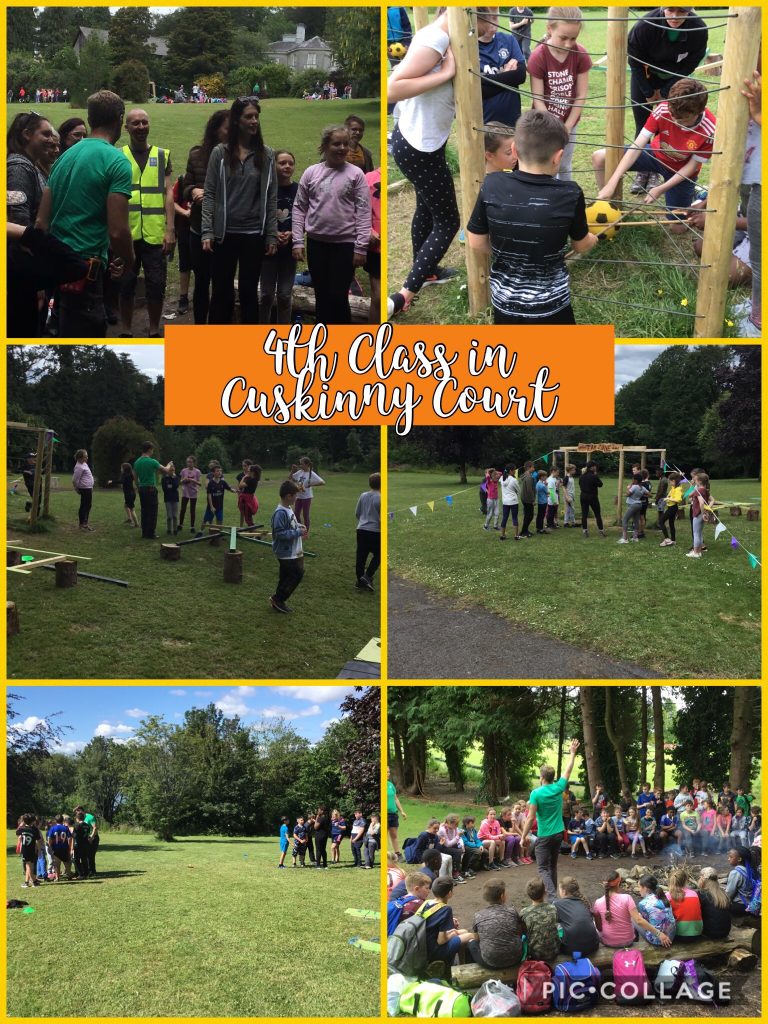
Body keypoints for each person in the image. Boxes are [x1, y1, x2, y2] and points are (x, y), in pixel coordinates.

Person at [467, 109, 596, 325]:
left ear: (515, 150)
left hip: (504, 306)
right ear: (558, 157)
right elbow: (581, 245)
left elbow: (476, 240)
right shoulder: (570, 194)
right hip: (552, 307)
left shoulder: (492, 184)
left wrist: (509, 252)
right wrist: (593, 238)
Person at [35, 91, 134, 338]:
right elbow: (118, 230)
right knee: (87, 337)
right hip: (85, 269)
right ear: (119, 119)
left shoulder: (63, 158)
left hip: (57, 265)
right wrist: (130, 261)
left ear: (90, 119)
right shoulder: (116, 160)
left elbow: (41, 221)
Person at [387, 8, 459, 318]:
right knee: (448, 221)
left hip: (421, 141)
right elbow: (393, 87)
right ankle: (405, 294)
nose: (493, 22)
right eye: (489, 14)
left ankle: (427, 271)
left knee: (426, 208)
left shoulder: (443, 34)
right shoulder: (436, 38)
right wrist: (444, 74)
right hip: (420, 147)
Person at [202, 96, 277, 324]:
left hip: (253, 235)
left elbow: (271, 198)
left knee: (248, 294)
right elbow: (210, 193)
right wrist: (207, 231)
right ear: (236, 120)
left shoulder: (266, 154)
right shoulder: (220, 153)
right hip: (225, 233)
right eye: (249, 117)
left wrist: (271, 234)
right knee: (221, 293)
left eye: (256, 116)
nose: (254, 121)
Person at [595, 79, 716, 221]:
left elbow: (692, 166)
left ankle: (698, 195)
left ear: (699, 111)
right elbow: (637, 146)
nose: (676, 123)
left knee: (678, 227)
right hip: (655, 155)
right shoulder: (663, 108)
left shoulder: (710, 129)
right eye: (673, 117)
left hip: (680, 171)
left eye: (683, 120)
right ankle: (607, 208)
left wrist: (660, 189)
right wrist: (612, 183)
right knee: (599, 157)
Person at [292, 125, 371, 325]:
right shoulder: (311, 173)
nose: (342, 148)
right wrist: (297, 241)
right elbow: (299, 207)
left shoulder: (356, 174)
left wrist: (361, 247)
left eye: (346, 144)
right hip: (317, 244)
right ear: (325, 145)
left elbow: (363, 211)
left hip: (345, 245)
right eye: (336, 143)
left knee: (338, 296)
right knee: (322, 295)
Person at [627, 5, 708, 193]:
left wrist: (665, 91)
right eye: (670, 10)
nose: (675, 16)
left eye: (681, 11)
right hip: (644, 76)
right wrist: (648, 92)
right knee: (644, 124)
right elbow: (634, 61)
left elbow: (691, 62)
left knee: (665, 126)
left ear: (690, 9)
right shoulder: (644, 25)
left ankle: (654, 172)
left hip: (674, 78)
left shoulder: (698, 28)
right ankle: (642, 171)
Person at [117, 109, 175, 337]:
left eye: (144, 122)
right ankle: (126, 330)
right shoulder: (118, 155)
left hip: (155, 234)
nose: (141, 127)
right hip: (126, 235)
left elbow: (168, 193)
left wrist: (170, 229)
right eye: (135, 123)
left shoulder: (162, 155)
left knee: (156, 285)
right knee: (126, 285)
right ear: (126, 128)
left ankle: (153, 330)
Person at [528, 7, 591, 182]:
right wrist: (552, 126)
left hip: (570, 120)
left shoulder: (580, 54)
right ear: (549, 28)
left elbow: (581, 95)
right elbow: (538, 98)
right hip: (544, 122)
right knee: (548, 166)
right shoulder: (538, 57)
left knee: (564, 164)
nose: (568, 44)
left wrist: (568, 126)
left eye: (574, 38)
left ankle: (567, 201)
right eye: (563, 38)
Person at [182, 109, 229, 324]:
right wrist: (192, 191)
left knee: (223, 284)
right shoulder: (197, 154)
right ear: (215, 129)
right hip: (198, 228)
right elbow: (186, 184)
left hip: (227, 232)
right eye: (228, 128)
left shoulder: (239, 157)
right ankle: (200, 326)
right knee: (201, 281)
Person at [521, 738, 580, 899]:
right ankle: (554, 897)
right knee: (552, 866)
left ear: (541, 777)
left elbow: (531, 818)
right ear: (553, 777)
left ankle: (553, 898)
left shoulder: (536, 793)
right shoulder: (559, 787)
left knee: (542, 869)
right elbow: (567, 770)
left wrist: (523, 836)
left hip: (545, 835)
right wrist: (572, 753)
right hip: (559, 833)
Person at [258, 149, 298, 324]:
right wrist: (272, 233)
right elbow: (258, 216)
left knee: (283, 294)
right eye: (282, 163)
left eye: (290, 163)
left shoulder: (298, 189)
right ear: (272, 165)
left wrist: (293, 233)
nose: (287, 166)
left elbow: (305, 217)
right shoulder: (265, 190)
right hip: (267, 250)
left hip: (289, 251)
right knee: (266, 294)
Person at [476, 7, 526, 129]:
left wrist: (488, 79)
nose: (493, 25)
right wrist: (508, 76)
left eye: (496, 17)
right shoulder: (468, 47)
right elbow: (479, 90)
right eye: (487, 19)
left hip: (512, 121)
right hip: (485, 124)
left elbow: (520, 75)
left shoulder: (508, 40)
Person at [421, 877, 475, 975]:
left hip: (423, 946)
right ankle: (457, 967)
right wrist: (452, 934)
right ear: (449, 893)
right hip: (434, 950)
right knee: (469, 936)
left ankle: (460, 965)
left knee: (463, 931)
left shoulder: (426, 903)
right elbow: (441, 941)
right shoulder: (446, 909)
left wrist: (452, 930)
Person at [468, 878, 524, 969]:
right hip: (516, 958)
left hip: (490, 962)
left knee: (471, 943)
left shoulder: (478, 916)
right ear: (502, 896)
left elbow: (476, 937)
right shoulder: (512, 911)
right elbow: (520, 930)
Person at [270, 479, 306, 613]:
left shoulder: (288, 509)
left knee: (285, 576)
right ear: (288, 496)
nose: (296, 498)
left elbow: (290, 525)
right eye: (295, 495)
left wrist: (298, 526)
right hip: (285, 551)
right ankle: (278, 599)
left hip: (290, 551)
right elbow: (279, 533)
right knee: (296, 574)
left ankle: (278, 600)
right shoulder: (280, 513)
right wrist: (298, 532)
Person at [133, 442, 173, 539]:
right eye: (152, 449)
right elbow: (166, 470)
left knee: (144, 511)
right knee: (152, 511)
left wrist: (138, 487)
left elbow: (135, 476)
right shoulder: (152, 461)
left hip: (142, 489)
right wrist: (169, 464)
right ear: (150, 449)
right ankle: (151, 533)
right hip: (150, 489)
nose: (153, 451)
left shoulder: (137, 462)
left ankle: (144, 532)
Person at [553, 876, 599, 954]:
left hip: (570, 949)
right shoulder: (585, 900)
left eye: (559, 889)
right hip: (593, 946)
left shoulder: (557, 904)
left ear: (564, 891)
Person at [593, 872, 637, 947]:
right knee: (633, 917)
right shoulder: (627, 898)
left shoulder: (598, 902)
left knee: (593, 923)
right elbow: (637, 919)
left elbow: (599, 928)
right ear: (618, 883)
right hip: (628, 941)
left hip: (608, 942)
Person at [355, 471, 381, 592]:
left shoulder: (363, 495)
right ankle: (367, 576)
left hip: (361, 529)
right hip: (375, 531)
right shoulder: (381, 498)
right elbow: (382, 518)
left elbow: (357, 513)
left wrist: (363, 521)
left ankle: (360, 580)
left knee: (361, 556)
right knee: (379, 555)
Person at [636, 874, 676, 945]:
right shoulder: (663, 896)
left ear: (645, 888)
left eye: (639, 887)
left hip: (659, 940)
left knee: (633, 918)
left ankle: (634, 945)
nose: (638, 890)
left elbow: (644, 922)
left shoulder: (643, 903)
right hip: (671, 936)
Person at [290, 457, 325, 538]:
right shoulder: (300, 472)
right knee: (296, 514)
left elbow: (323, 482)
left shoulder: (311, 474)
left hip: (307, 497)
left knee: (306, 515)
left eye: (302, 464)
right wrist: (292, 470)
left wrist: (311, 484)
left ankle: (305, 533)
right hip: (298, 496)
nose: (300, 465)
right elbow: (291, 478)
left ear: (307, 464)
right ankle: (300, 529)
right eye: (300, 464)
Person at [364, 165, 381, 322]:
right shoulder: (369, 177)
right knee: (377, 298)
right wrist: (368, 229)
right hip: (375, 247)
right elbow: (360, 208)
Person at [668, 867, 704, 939]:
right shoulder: (694, 894)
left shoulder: (668, 895)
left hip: (678, 935)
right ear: (685, 881)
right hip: (697, 933)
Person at [697, 867, 733, 939]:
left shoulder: (702, 894)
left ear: (703, 880)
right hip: (725, 932)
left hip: (709, 933)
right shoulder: (723, 893)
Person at [200, 464, 236, 531]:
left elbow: (229, 488)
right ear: (213, 473)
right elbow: (209, 495)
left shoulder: (223, 482)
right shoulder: (210, 483)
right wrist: (211, 506)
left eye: (220, 471)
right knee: (205, 520)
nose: (219, 472)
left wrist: (235, 491)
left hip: (220, 506)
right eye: (217, 471)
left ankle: (219, 534)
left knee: (220, 521)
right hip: (211, 507)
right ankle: (200, 531)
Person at [70, 448, 95, 532]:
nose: (87, 458)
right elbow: (74, 480)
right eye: (85, 456)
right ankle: (83, 524)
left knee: (88, 505)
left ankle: (84, 523)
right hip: (85, 489)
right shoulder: (79, 467)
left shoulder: (84, 464)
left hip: (88, 488)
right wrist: (76, 489)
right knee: (85, 506)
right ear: (80, 457)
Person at [688, 471, 711, 559]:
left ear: (699, 481)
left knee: (696, 533)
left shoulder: (699, 490)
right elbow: (690, 495)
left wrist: (703, 513)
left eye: (696, 480)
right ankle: (698, 551)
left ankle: (696, 552)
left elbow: (701, 503)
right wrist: (705, 512)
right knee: (700, 533)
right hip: (701, 514)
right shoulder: (704, 490)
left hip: (698, 514)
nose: (695, 481)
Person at [387, 767, 408, 861]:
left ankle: (398, 854)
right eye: (386, 772)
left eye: (389, 772)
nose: (388, 774)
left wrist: (402, 811)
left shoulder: (390, 785)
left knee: (394, 835)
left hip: (393, 814)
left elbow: (395, 799)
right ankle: (386, 855)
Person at [16, 813, 42, 888]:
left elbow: (17, 833)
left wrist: (22, 824)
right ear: (33, 821)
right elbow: (38, 841)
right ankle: (27, 882)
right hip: (32, 850)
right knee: (30, 865)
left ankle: (34, 882)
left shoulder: (22, 829)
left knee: (28, 866)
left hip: (25, 850)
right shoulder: (35, 830)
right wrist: (39, 850)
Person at [178, 455, 202, 533]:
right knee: (183, 509)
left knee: (192, 510)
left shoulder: (197, 471)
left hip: (193, 493)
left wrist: (193, 480)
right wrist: (184, 480)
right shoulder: (183, 471)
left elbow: (200, 483)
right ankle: (180, 525)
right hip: (185, 492)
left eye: (190, 462)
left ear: (194, 463)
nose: (189, 463)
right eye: (188, 462)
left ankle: (192, 526)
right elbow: (180, 482)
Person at [659, 471, 683, 546]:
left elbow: (678, 499)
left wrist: (669, 499)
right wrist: (667, 497)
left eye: (670, 482)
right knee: (671, 523)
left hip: (673, 508)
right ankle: (673, 540)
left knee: (661, 521)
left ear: (674, 481)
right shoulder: (674, 487)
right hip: (671, 507)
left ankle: (667, 539)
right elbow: (670, 494)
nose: (670, 483)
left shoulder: (678, 489)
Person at [47, 814, 74, 880]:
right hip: (64, 848)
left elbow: (49, 838)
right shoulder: (65, 828)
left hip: (56, 848)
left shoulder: (53, 828)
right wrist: (70, 847)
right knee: (67, 862)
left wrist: (50, 846)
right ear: (63, 820)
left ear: (55, 821)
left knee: (57, 864)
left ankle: (57, 877)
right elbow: (70, 838)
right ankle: (69, 875)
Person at [498, 463, 520, 541]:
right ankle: (516, 536)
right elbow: (518, 490)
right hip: (513, 501)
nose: (515, 471)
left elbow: (501, 478)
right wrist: (515, 492)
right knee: (514, 518)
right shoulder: (514, 480)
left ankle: (502, 535)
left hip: (505, 502)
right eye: (514, 470)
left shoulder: (502, 478)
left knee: (504, 518)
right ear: (511, 470)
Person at [161, 462, 180, 535]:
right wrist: (170, 487)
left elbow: (175, 486)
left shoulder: (176, 478)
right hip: (167, 499)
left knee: (175, 516)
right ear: (167, 470)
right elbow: (165, 489)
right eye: (171, 470)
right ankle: (169, 529)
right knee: (169, 516)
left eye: (173, 470)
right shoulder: (164, 479)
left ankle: (175, 530)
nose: (172, 472)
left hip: (175, 498)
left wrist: (172, 483)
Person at [519, 461, 536, 538]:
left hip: (524, 498)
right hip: (527, 499)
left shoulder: (526, 475)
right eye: (533, 467)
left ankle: (525, 530)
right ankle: (524, 532)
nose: (534, 468)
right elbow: (529, 490)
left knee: (528, 515)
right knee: (529, 515)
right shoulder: (529, 477)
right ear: (529, 467)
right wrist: (532, 500)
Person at [535, 470, 549, 534]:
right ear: (541, 477)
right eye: (545, 476)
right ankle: (541, 529)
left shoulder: (538, 483)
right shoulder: (542, 485)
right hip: (543, 502)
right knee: (542, 515)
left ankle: (538, 527)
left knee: (539, 515)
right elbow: (547, 492)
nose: (546, 477)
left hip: (540, 501)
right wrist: (546, 485)